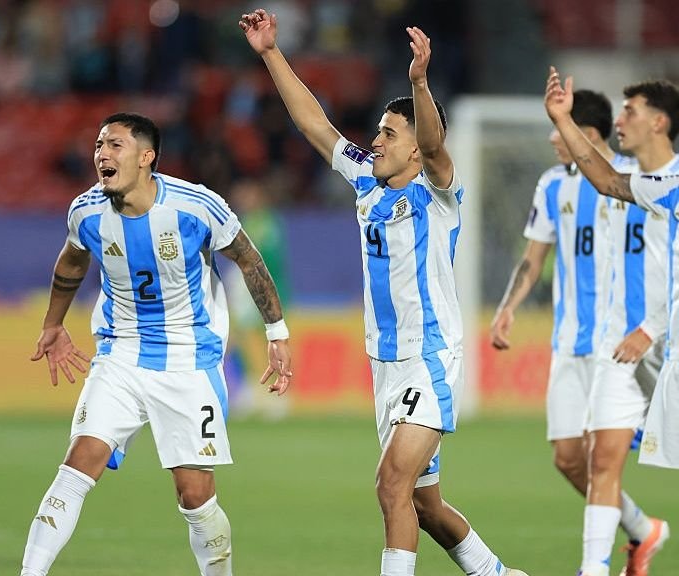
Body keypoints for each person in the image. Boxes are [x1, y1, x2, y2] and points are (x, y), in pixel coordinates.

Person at [240, 9, 527, 576]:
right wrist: (271, 52)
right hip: (386, 365)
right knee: (424, 504)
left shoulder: (438, 192)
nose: (375, 141)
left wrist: (419, 83)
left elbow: (438, 147)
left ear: (416, 148)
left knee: (390, 482)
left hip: (430, 359)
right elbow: (315, 126)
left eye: (388, 134)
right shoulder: (366, 177)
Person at [19, 112, 292, 576]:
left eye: (116, 145)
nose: (102, 153)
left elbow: (248, 259)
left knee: (195, 495)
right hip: (119, 353)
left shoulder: (196, 207)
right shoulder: (86, 212)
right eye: (99, 144)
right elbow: (71, 263)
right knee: (78, 463)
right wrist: (53, 323)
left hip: (189, 360)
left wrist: (276, 332)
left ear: (147, 158)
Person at [491, 89, 665, 573]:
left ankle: (596, 565)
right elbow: (533, 257)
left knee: (604, 456)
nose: (552, 137)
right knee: (570, 460)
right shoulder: (551, 186)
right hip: (569, 342)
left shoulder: (633, 182)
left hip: (622, 345)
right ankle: (642, 529)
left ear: (586, 134)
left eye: (560, 128)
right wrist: (508, 307)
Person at [545, 69, 678, 576]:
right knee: (602, 459)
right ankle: (593, 570)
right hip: (622, 343)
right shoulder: (647, 184)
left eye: (632, 111)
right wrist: (562, 117)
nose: (620, 119)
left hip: (664, 343)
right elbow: (603, 179)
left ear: (660, 122)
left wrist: (655, 326)